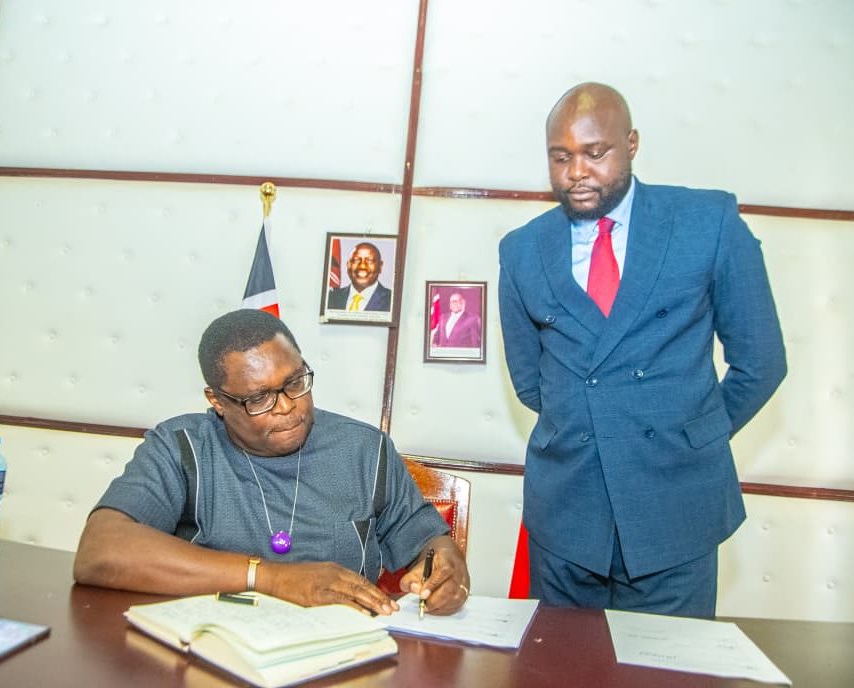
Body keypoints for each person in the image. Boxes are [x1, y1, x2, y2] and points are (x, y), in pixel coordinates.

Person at [498, 82, 786, 617]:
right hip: (566, 514)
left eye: (595, 153)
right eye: (560, 157)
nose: (576, 172)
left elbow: (761, 361)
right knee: (560, 661)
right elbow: (530, 382)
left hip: (675, 506)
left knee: (666, 661)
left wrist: (694, 435)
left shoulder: (708, 223)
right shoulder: (521, 249)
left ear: (631, 144)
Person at [74, 309, 469, 616]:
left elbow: (428, 543)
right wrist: (270, 577)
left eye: (295, 383)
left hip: (341, 651)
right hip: (213, 646)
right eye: (259, 398)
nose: (286, 407)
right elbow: (100, 551)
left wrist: (448, 567)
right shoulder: (183, 446)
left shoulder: (365, 449)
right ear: (217, 401)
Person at [326, 242, 392, 312]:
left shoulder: (391, 300)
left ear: (380, 266)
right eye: (356, 260)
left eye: (369, 260)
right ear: (348, 265)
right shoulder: (331, 298)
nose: (362, 266)